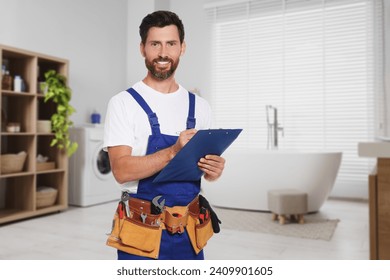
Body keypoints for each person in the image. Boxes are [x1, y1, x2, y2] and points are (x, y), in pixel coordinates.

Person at [103, 10, 225, 260]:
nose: (162, 53)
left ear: (182, 47)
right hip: (141, 230)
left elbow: (204, 172)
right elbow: (121, 171)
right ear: (142, 48)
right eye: (154, 44)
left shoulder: (200, 106)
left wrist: (214, 170)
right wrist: (173, 152)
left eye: (171, 43)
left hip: (190, 232)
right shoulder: (123, 103)